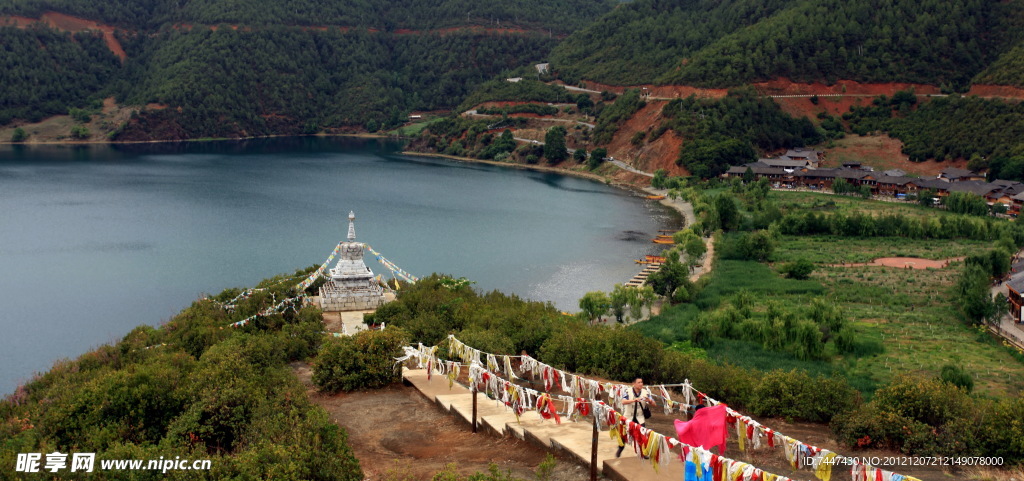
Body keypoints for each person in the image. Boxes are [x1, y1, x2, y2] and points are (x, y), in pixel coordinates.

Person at [616, 377, 655, 458]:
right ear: (633, 384)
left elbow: (654, 404)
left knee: (642, 435)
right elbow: (623, 401)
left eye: (642, 382)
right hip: (628, 416)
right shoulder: (627, 391)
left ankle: (643, 452)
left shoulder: (646, 392)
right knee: (623, 435)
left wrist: (649, 401)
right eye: (639, 382)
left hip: (640, 417)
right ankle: (620, 448)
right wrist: (634, 400)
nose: (641, 384)